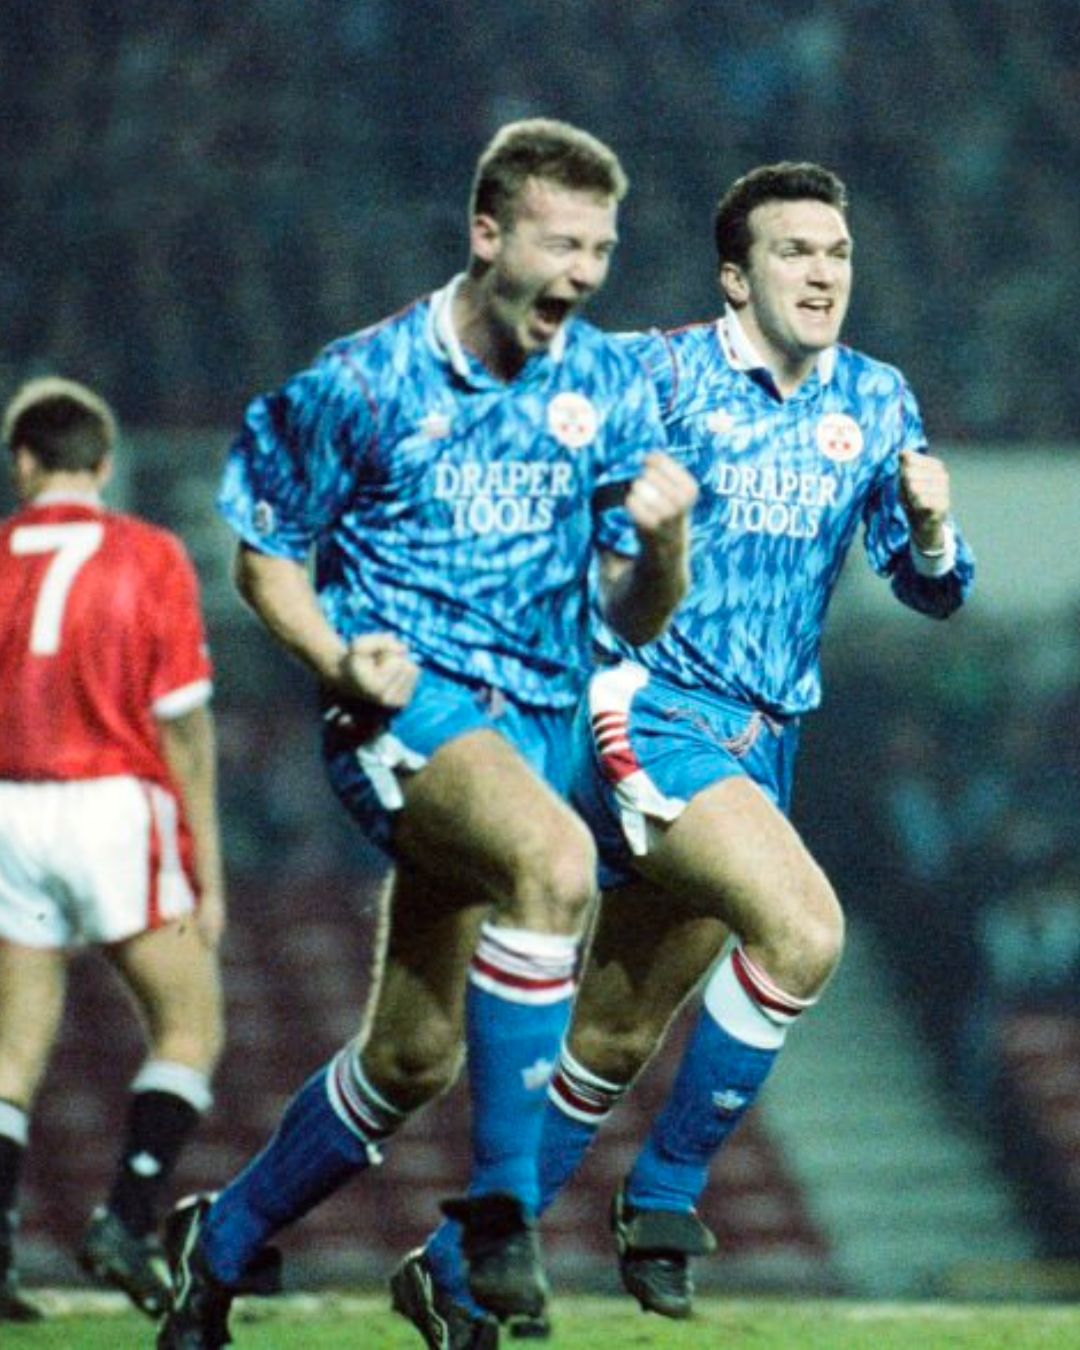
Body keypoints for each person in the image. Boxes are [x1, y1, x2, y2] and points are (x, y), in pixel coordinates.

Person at [155, 118, 697, 1350]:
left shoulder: (607, 385)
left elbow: (631, 611)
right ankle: (496, 1222)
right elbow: (264, 558)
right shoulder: (362, 381)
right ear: (487, 233)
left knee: (409, 1058)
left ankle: (219, 1241)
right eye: (561, 244)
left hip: (536, 725)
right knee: (555, 862)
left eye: (601, 249)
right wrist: (338, 657)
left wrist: (666, 547)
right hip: (404, 712)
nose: (583, 273)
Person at [450, 160, 976, 1324]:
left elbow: (931, 589)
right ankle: (664, 1199)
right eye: (795, 252)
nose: (823, 273)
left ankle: (449, 1274)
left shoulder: (876, 398)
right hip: (647, 709)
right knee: (804, 930)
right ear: (736, 278)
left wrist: (934, 529)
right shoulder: (657, 373)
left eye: (837, 254)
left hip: (759, 744)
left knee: (616, 1030)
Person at [0, 377, 227, 1322]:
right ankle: (127, 1219)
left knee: (12, 1051)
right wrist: (207, 870)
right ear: (103, 465)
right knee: (190, 1025)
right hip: (113, 805)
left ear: (22, 464)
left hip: (10, 808)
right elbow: (183, 726)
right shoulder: (149, 553)